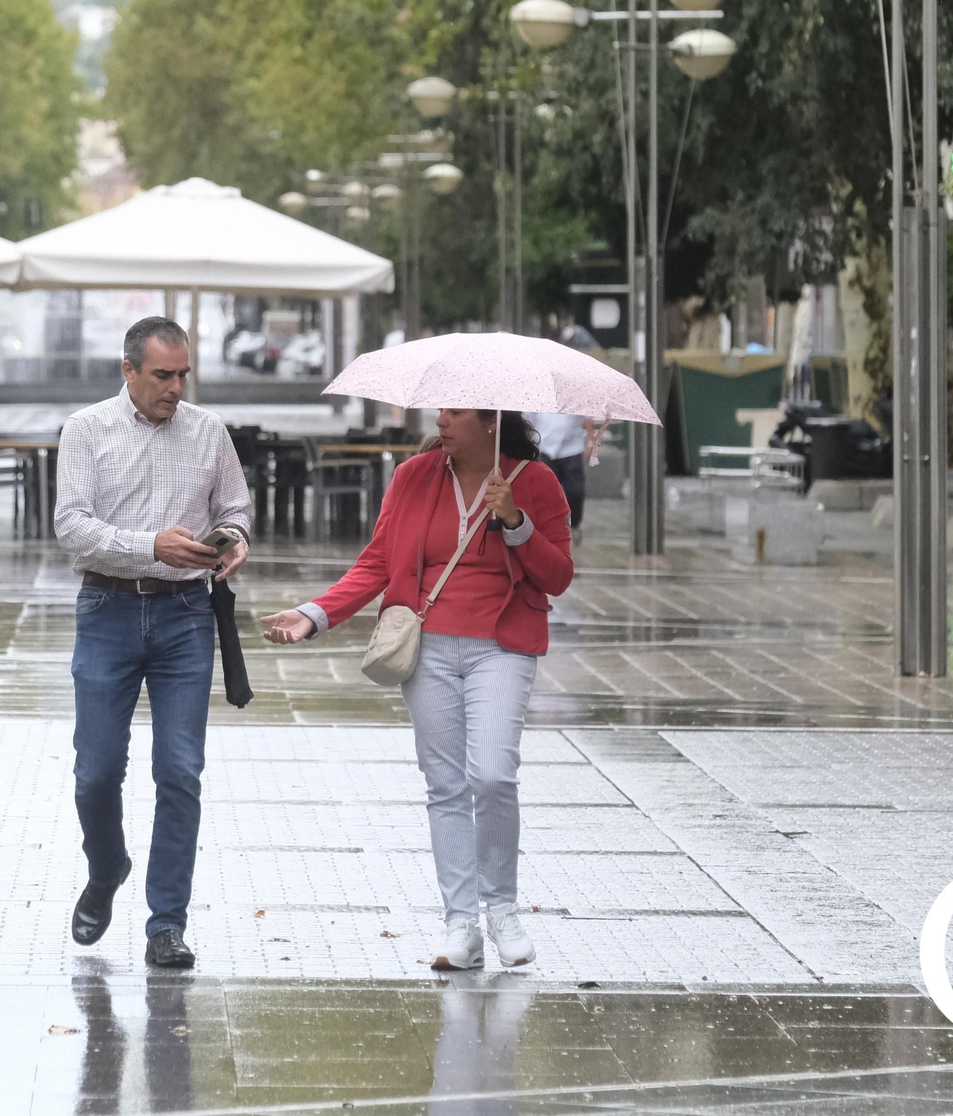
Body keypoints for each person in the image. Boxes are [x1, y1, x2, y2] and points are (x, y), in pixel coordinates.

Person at [260, 409, 573, 970]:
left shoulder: (535, 482)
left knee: (493, 774)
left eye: (455, 412)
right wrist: (315, 614)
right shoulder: (415, 477)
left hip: (501, 646)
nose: (441, 420)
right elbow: (378, 561)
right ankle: (461, 926)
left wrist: (516, 521)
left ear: (489, 422)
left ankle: (501, 908)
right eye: (442, 411)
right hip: (426, 646)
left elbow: (557, 576)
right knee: (446, 785)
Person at [55, 315, 251, 969]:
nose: (175, 387)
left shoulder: (208, 433)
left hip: (185, 617)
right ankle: (106, 867)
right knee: (96, 771)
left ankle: (166, 923)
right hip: (107, 610)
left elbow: (236, 509)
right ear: (128, 371)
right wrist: (150, 545)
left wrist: (235, 541)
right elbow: (72, 528)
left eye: (183, 374)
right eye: (162, 375)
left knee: (180, 770)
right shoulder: (86, 431)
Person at [525, 411, 591, 533]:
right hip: (544, 448)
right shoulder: (538, 396)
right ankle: (551, 527)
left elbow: (587, 419)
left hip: (572, 449)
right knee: (547, 493)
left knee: (575, 491)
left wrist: (590, 443)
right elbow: (529, 421)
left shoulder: (576, 396)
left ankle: (575, 523)